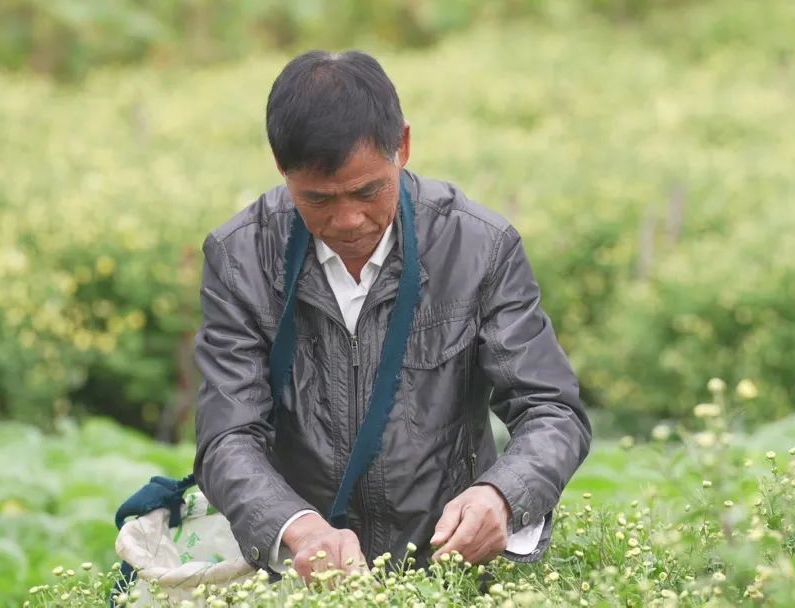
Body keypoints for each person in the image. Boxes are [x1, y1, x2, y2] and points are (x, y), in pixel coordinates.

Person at [192, 50, 591, 584]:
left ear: (402, 146)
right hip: (304, 576)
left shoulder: (477, 247)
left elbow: (552, 409)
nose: (347, 219)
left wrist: (502, 495)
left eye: (367, 191)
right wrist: (299, 529)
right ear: (280, 167)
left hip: (451, 573)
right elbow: (227, 435)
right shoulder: (241, 256)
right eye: (317, 199)